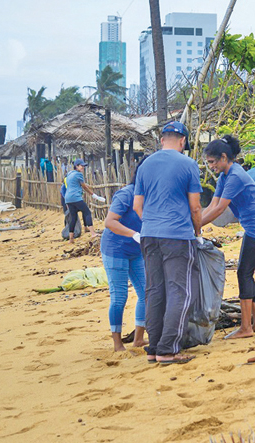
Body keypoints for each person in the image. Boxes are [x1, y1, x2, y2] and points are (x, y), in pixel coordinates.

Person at [133, 121, 202, 364]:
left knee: (154, 290)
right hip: (177, 235)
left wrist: (153, 222)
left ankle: (154, 348)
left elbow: (137, 206)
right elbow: (195, 206)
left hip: (149, 234)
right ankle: (168, 349)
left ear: (162, 140)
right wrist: (198, 230)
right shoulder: (188, 164)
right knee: (179, 291)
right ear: (183, 141)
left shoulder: (145, 165)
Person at [202, 135, 255, 339]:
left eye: (213, 162)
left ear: (224, 157)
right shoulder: (225, 176)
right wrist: (194, 224)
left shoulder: (235, 176)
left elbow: (219, 210)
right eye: (208, 163)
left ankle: (246, 327)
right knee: (247, 272)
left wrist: (195, 226)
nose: (211, 166)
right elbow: (212, 205)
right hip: (253, 225)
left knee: (243, 273)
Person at [102, 162, 147, 352]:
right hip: (115, 249)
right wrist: (133, 234)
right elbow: (109, 222)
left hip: (137, 251)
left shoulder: (150, 195)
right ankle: (117, 343)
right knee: (119, 297)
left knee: (147, 292)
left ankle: (138, 338)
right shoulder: (126, 194)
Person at [64, 158, 106, 244]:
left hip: (68, 198)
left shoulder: (69, 174)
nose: (83, 167)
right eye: (81, 166)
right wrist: (94, 195)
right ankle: (93, 233)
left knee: (73, 217)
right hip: (76, 197)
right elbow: (84, 186)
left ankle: (71, 239)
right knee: (87, 212)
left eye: (83, 166)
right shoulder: (78, 175)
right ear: (77, 166)